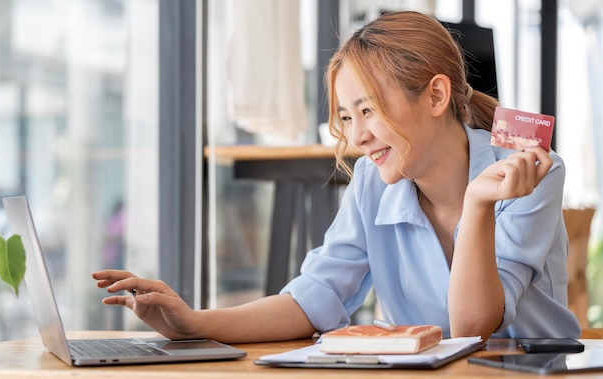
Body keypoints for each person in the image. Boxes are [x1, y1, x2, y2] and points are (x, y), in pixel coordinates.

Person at [92, 11, 581, 342]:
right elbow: (315, 298)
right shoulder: (373, 182)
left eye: (367, 110)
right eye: (347, 117)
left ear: (435, 97)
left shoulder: (533, 174)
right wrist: (195, 323)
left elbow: (474, 325)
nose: (358, 136)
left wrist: (477, 204)